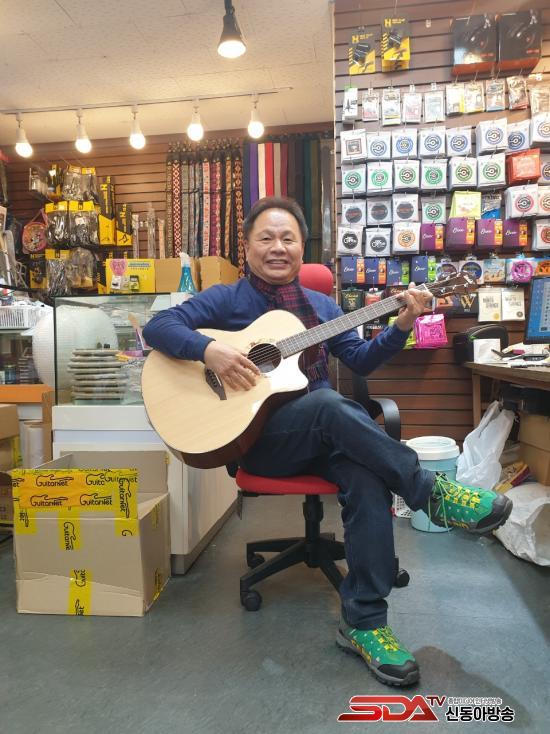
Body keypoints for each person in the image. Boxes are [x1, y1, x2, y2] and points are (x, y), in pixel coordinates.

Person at [143, 197, 512, 688]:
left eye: (288, 238)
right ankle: (430, 492)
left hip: (326, 432)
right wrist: (211, 351)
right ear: (247, 247)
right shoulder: (226, 300)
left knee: (366, 477)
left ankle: (364, 623)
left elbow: (359, 360)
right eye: (266, 238)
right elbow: (157, 327)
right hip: (263, 440)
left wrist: (401, 325)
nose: (278, 247)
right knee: (328, 404)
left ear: (303, 249)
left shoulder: (323, 308)